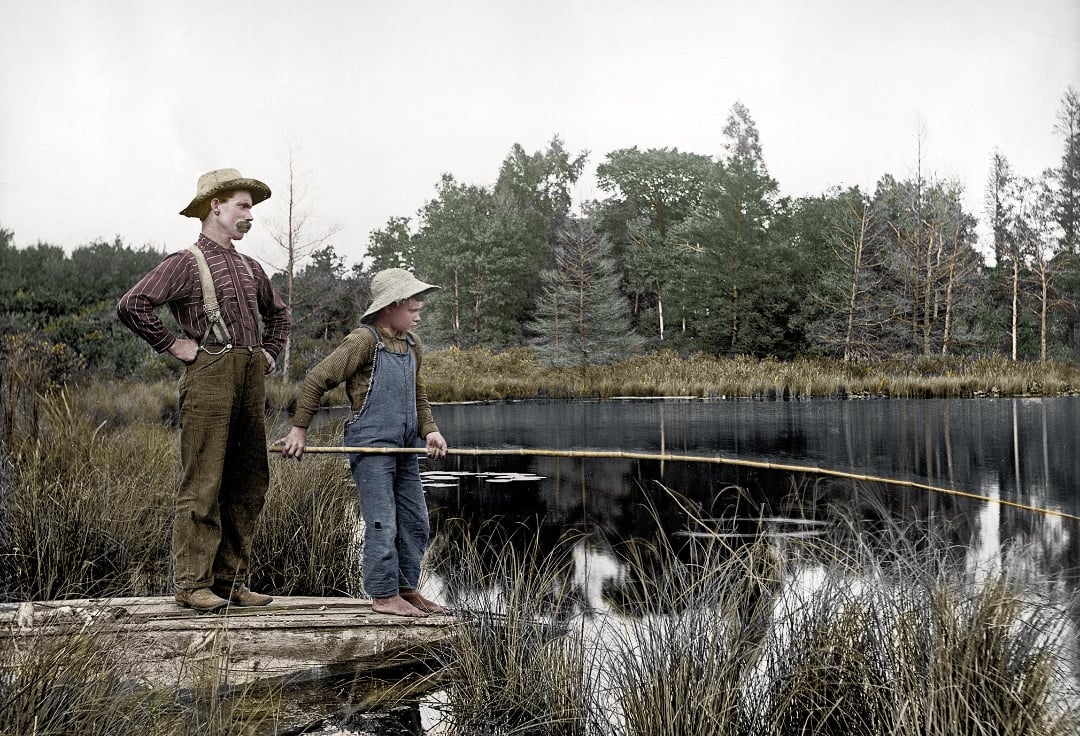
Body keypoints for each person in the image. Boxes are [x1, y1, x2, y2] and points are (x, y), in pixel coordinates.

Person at [117, 168, 291, 612]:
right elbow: (132, 304)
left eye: (251, 207)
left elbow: (280, 316)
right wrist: (173, 343)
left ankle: (231, 582)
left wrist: (269, 351)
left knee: (250, 482)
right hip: (209, 375)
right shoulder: (184, 262)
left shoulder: (252, 268)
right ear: (215, 206)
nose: (250, 215)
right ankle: (193, 585)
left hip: (250, 376)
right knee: (203, 482)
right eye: (243, 206)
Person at [276, 268, 448, 617]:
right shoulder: (363, 341)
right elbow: (316, 379)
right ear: (390, 306)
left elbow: (418, 395)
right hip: (370, 446)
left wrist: (430, 430)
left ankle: (405, 589)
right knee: (382, 521)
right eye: (413, 309)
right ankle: (383, 595)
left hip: (405, 448)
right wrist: (298, 430)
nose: (418, 315)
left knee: (416, 521)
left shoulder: (413, 345)